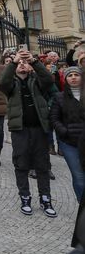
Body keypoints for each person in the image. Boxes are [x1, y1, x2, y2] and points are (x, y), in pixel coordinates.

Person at [0, 49, 57, 217]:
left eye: (25, 63)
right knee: (21, 163)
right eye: (20, 63)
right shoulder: (11, 84)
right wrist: (14, 63)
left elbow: (48, 79)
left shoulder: (37, 80)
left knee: (42, 165)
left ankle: (45, 198)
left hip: (39, 128)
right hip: (20, 129)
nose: (22, 65)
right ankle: (25, 197)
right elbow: (2, 83)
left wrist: (34, 62)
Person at [50, 66, 85, 201]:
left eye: (77, 74)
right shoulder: (59, 97)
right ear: (66, 79)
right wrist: (64, 131)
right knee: (79, 177)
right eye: (70, 75)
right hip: (70, 143)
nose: (74, 77)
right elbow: (54, 118)